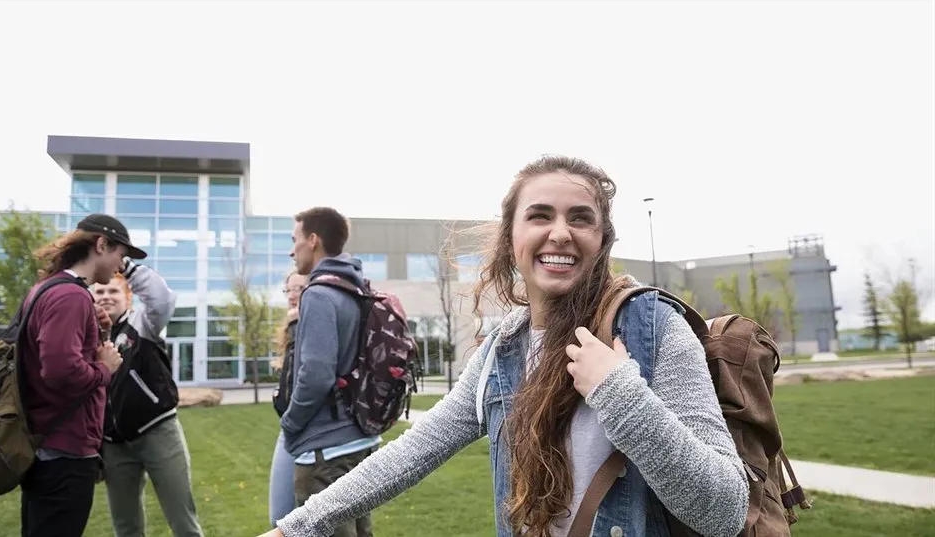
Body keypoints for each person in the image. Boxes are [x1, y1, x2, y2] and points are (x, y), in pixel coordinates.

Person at [259, 156, 750, 537]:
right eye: (539, 215)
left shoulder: (655, 327)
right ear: (511, 237)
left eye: (580, 218)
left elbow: (725, 511)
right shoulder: (504, 349)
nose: (560, 232)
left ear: (601, 240)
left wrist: (622, 395)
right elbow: (412, 451)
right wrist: (298, 524)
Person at [19, 214, 142, 537]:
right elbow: (59, 371)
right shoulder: (71, 296)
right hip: (64, 451)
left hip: (44, 446)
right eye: (120, 255)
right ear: (101, 245)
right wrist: (105, 369)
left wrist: (94, 329)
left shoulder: (46, 289)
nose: (120, 266)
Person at [278, 206, 381, 537]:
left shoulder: (319, 294)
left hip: (326, 452)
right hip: (359, 440)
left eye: (295, 240)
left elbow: (317, 375)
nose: (292, 250)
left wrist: (290, 423)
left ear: (313, 239)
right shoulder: (354, 286)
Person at [90, 257, 204, 537]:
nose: (106, 297)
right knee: (126, 527)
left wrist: (124, 264)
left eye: (113, 291)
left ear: (128, 296)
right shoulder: (86, 338)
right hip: (114, 444)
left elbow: (162, 299)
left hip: (158, 433)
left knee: (183, 521)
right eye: (100, 292)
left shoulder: (143, 324)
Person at [269, 270, 308, 526]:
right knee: (279, 520)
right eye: (289, 290)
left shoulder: (311, 326)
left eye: (299, 289)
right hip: (290, 427)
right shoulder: (291, 328)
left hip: (311, 430)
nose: (292, 296)